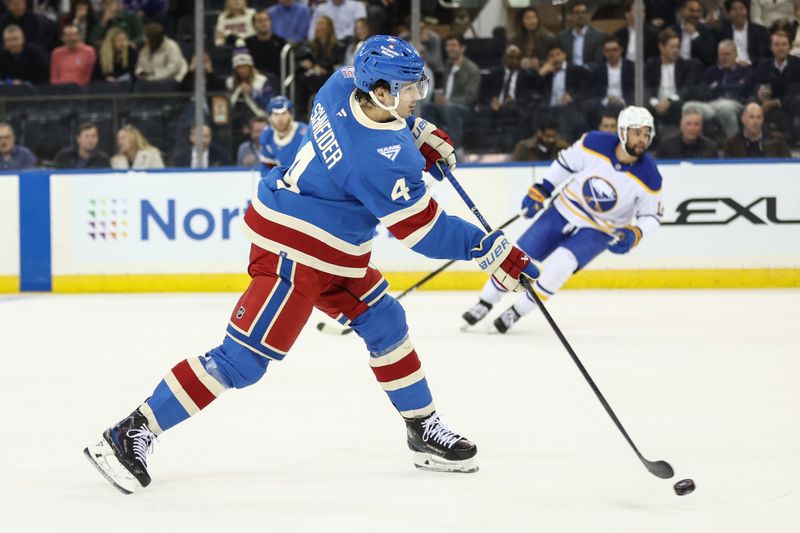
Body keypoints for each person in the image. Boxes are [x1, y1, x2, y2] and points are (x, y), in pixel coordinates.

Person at [83, 35, 539, 493]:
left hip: (331, 247)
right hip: (295, 251)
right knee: (241, 361)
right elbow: (423, 231)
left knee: (385, 320)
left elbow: (382, 129)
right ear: (380, 91)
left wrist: (414, 132)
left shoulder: (340, 85)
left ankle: (422, 428)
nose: (419, 94)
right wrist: (489, 248)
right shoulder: (378, 163)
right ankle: (130, 431)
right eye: (409, 87)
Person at [462, 106, 663, 334]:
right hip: (564, 208)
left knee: (562, 264)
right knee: (520, 255)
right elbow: (566, 163)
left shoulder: (650, 175)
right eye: (637, 133)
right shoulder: (594, 143)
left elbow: (653, 216)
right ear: (623, 132)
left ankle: (516, 311)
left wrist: (636, 232)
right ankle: (485, 302)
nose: (642, 140)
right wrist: (543, 188)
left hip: (601, 228)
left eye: (647, 134)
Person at [682, 39, 753, 141]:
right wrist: (724, 88)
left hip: (735, 104)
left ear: (735, 54)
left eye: (727, 54)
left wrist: (716, 88)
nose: (724, 58)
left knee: (725, 108)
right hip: (712, 104)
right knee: (688, 106)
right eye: (721, 55)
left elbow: (741, 90)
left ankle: (735, 145)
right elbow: (702, 90)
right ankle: (693, 143)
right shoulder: (711, 71)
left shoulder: (744, 71)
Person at [477, 44, 541, 152]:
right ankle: (482, 149)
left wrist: (514, 102)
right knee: (483, 113)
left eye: (518, 58)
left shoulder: (529, 77)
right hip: (495, 109)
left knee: (513, 109)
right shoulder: (493, 75)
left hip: (516, 110)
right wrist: (491, 102)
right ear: (504, 59)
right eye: (511, 58)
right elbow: (483, 95)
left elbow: (531, 97)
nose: (515, 61)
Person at [420, 34, 481, 149]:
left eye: (454, 45)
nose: (450, 48)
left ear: (462, 48)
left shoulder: (472, 69)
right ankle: (432, 145)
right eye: (448, 45)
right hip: (446, 105)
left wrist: (448, 101)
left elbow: (470, 97)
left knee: (451, 110)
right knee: (427, 108)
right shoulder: (448, 65)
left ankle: (453, 149)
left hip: (464, 108)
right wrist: (438, 98)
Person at [645, 29, 696, 127]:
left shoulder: (685, 65)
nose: (676, 50)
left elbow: (686, 89)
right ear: (661, 47)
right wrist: (656, 103)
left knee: (678, 106)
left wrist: (669, 101)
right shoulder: (651, 64)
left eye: (677, 47)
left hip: (675, 104)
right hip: (655, 103)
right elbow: (646, 87)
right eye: (672, 47)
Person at [723, 101, 791, 157]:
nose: (755, 121)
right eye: (751, 117)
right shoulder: (732, 143)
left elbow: (788, 166)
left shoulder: (777, 140)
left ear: (763, 120)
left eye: (759, 117)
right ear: (743, 119)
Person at [258, 95, 308, 169]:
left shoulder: (305, 133)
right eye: (276, 114)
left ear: (291, 115)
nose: (280, 119)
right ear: (269, 117)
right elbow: (267, 168)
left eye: (284, 113)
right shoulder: (267, 136)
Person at [718, 0, 770, 66]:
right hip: (730, 69)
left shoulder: (759, 31)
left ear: (747, 10)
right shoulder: (722, 32)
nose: (739, 12)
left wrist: (749, 63)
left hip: (753, 68)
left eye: (741, 8)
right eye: (734, 9)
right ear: (729, 13)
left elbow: (764, 55)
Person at [556, 1, 607, 68]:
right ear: (572, 16)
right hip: (570, 74)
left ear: (588, 15)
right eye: (577, 13)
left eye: (583, 12)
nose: (581, 15)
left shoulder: (598, 36)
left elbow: (598, 61)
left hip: (589, 73)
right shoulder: (562, 37)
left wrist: (582, 70)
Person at [510, 6, 556, 71]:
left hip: (543, 74)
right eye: (528, 18)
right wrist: (520, 62)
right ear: (522, 21)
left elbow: (555, 59)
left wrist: (540, 62)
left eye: (534, 17)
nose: (532, 21)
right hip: (522, 75)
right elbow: (508, 61)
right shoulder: (515, 40)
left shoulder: (549, 38)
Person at [244, 10, 286, 77]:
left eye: (266, 20)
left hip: (275, 77)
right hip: (254, 77)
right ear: (253, 24)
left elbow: (284, 66)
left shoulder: (280, 42)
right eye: (260, 21)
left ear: (270, 22)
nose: (264, 23)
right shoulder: (247, 43)